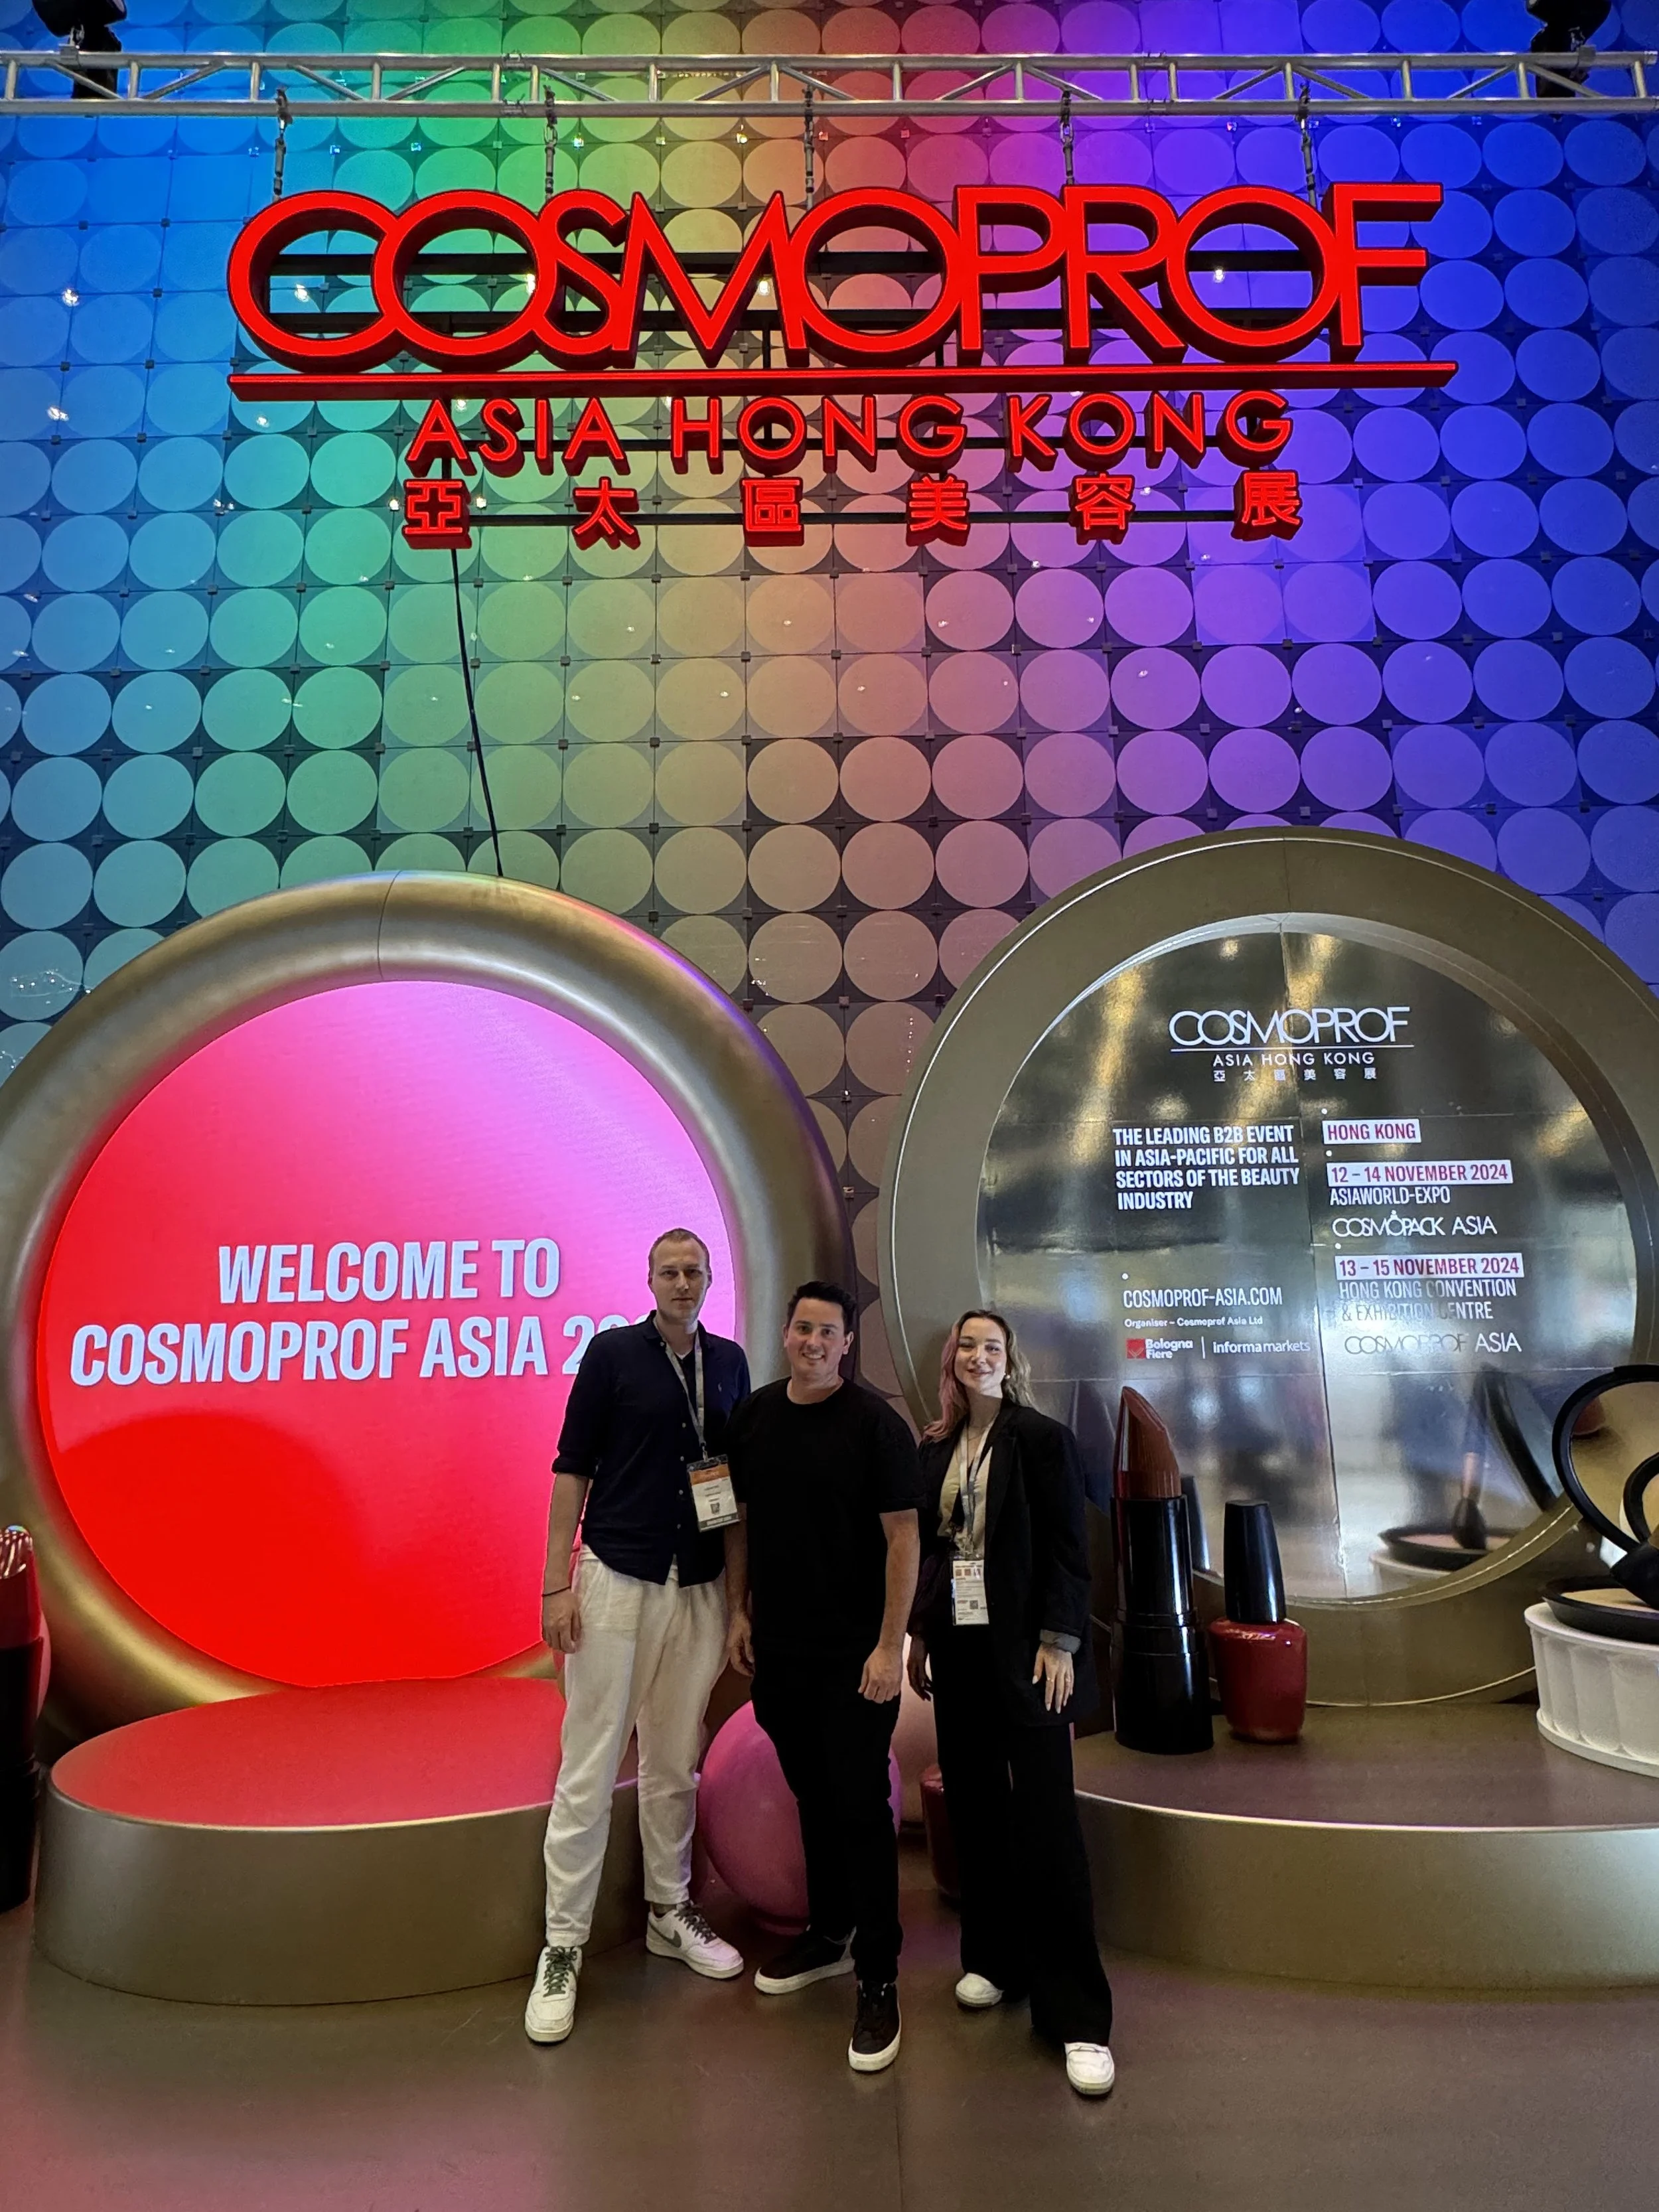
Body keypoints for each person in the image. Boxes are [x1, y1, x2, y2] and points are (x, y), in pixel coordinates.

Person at [524, 1228, 749, 2045]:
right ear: (649, 1280)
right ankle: (564, 1946)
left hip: (696, 1588)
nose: (683, 1282)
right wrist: (555, 1583)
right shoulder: (610, 1354)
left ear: (710, 1279)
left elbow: (734, 1489)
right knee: (588, 1766)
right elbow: (569, 1469)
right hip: (615, 1581)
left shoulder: (727, 1364)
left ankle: (669, 1907)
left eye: (694, 1271)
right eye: (669, 1271)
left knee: (673, 1762)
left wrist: (737, 1602)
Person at [906, 1309, 1116, 2099]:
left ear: (1009, 1361)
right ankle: (994, 1960)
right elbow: (936, 1552)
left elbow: (1070, 1546)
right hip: (958, 1651)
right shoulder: (936, 1447)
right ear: (951, 1359)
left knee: (1047, 1824)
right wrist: (920, 1637)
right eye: (964, 1344)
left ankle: (1078, 2017)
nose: (976, 1356)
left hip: (1030, 1654)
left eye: (990, 1346)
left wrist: (1061, 1640)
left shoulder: (1039, 1439)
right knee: (975, 1807)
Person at [723, 1282, 921, 2075]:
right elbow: (736, 1519)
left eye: (826, 1332)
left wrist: (887, 1647)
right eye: (801, 1328)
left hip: (856, 1659)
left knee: (861, 1812)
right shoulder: (756, 1417)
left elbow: (904, 1542)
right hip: (780, 1653)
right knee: (812, 1795)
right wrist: (740, 1612)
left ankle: (879, 1976)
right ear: (787, 1335)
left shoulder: (876, 1426)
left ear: (847, 1344)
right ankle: (830, 1933)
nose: (812, 1341)